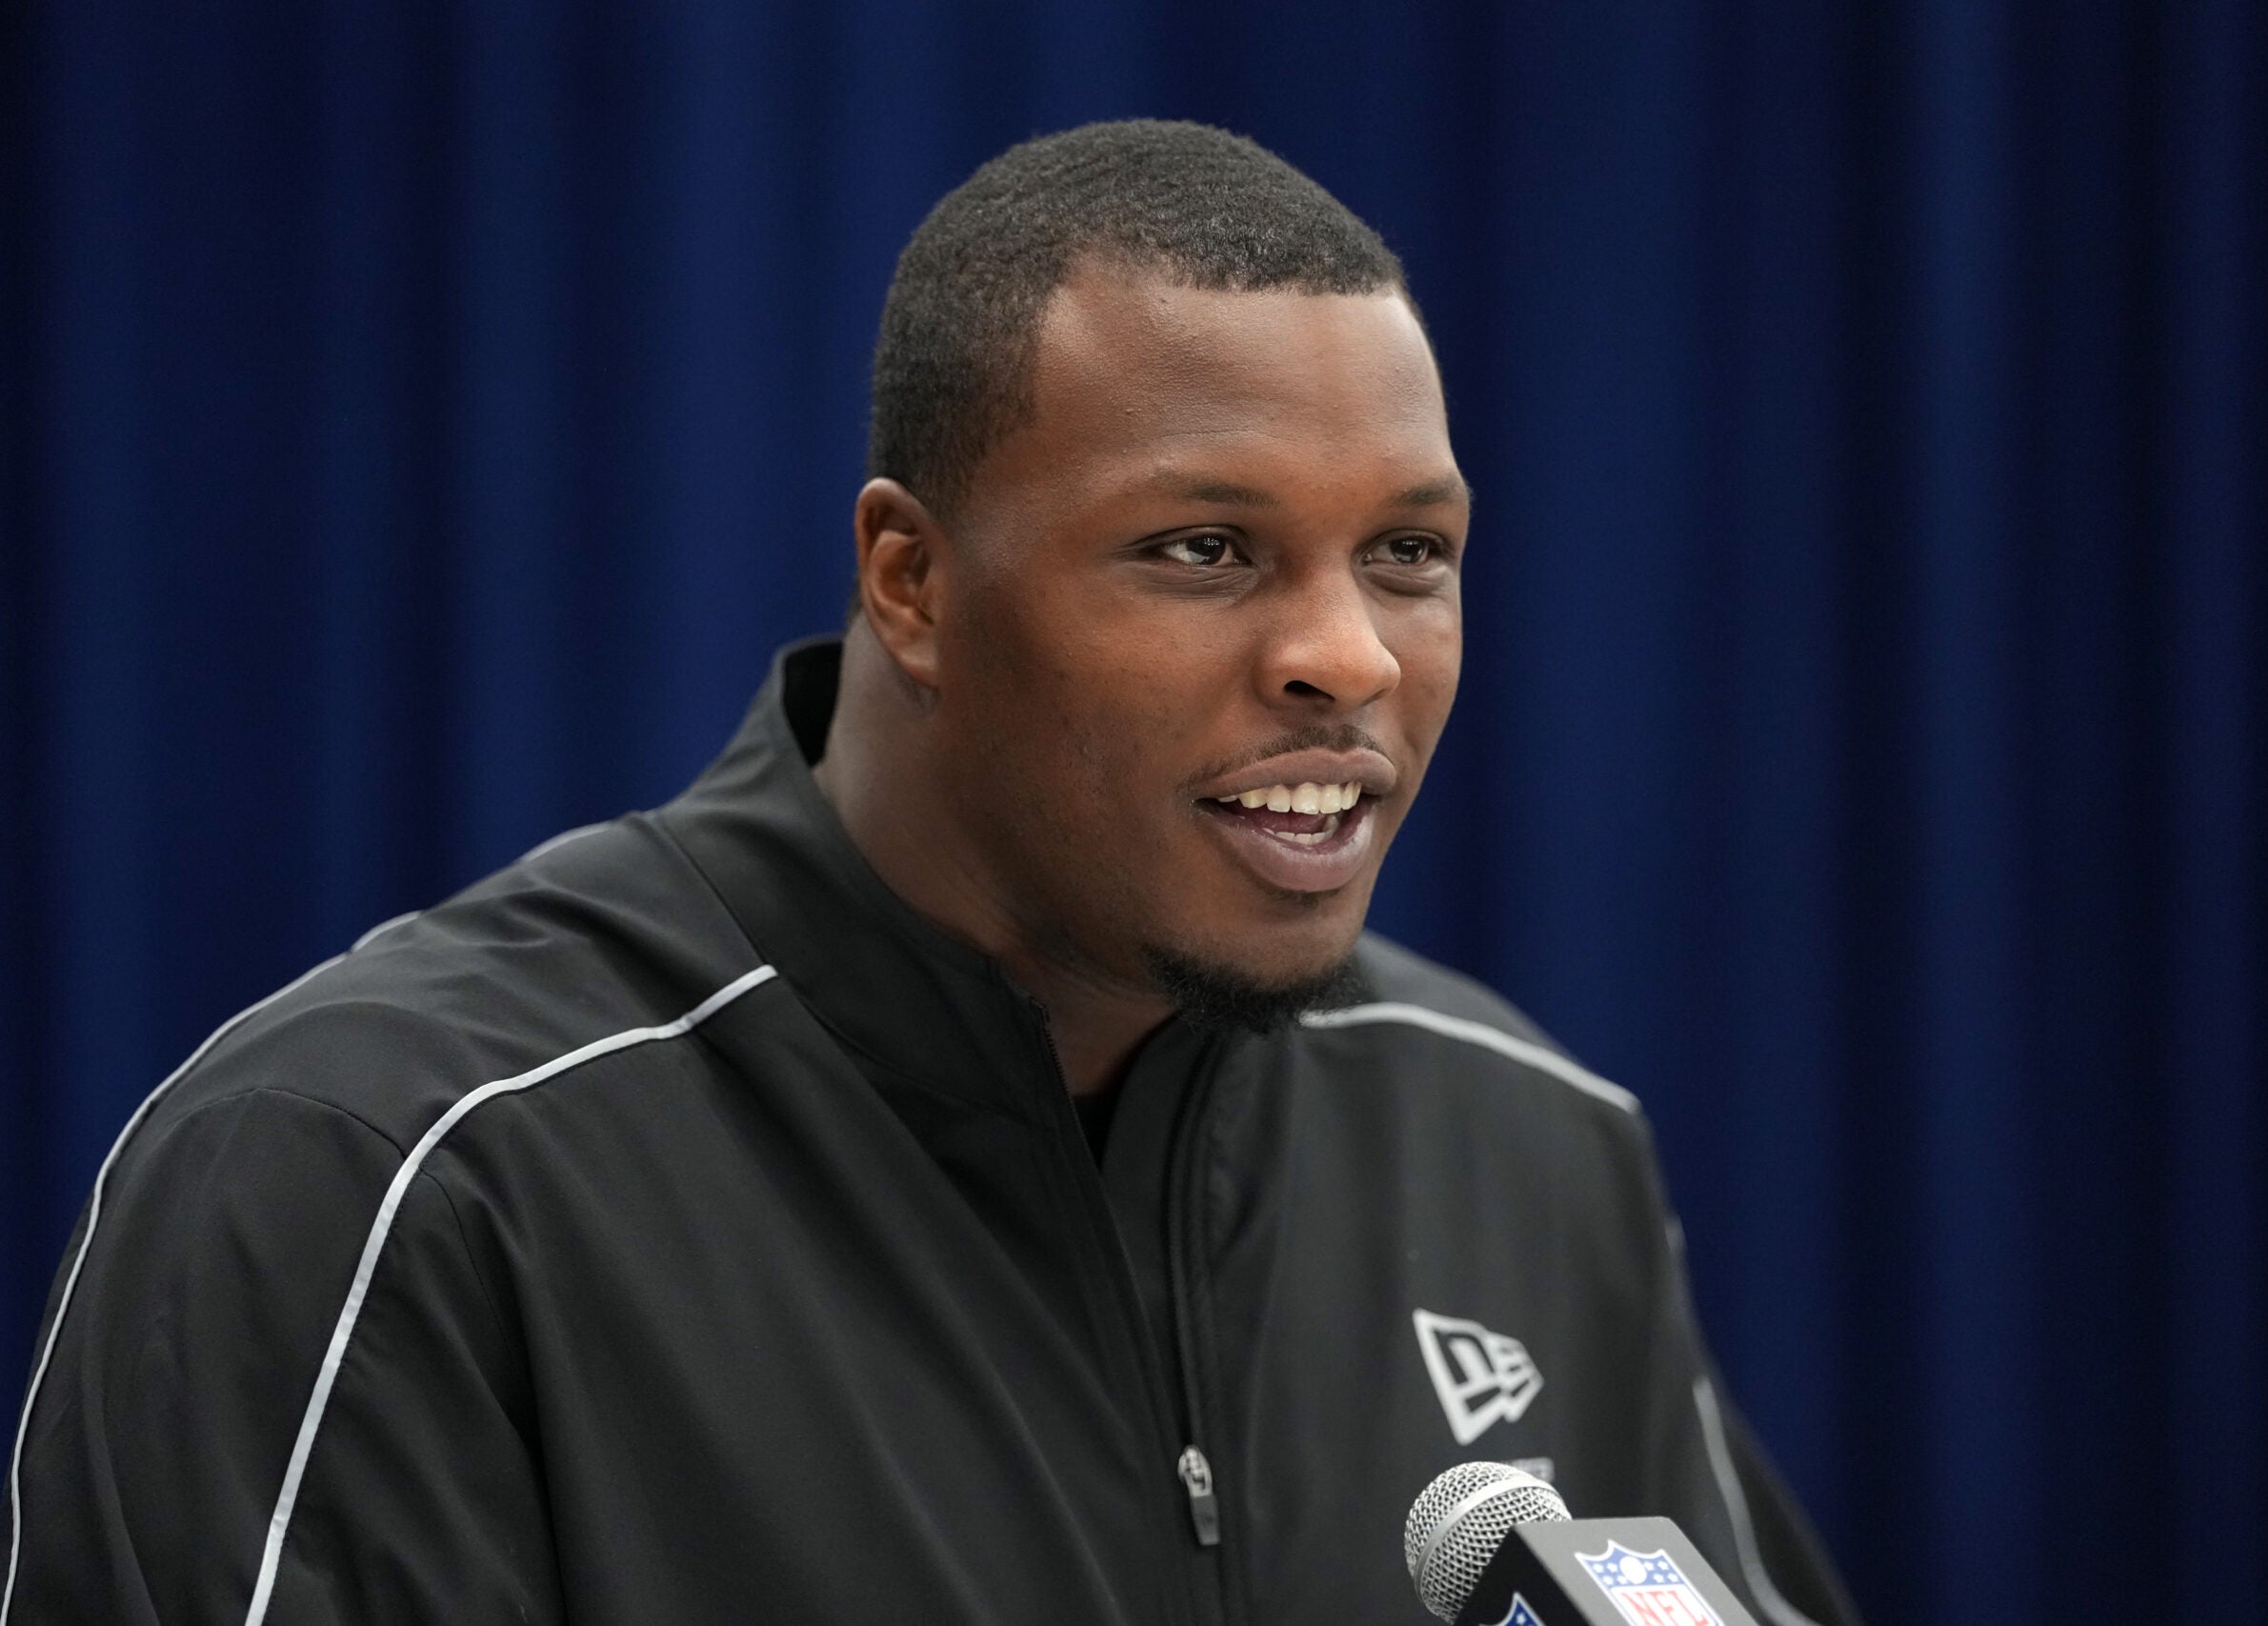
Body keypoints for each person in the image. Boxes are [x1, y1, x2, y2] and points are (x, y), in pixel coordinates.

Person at [5, 121, 1857, 1626]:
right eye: (1205, 547)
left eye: (1408, 553)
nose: (1348, 656)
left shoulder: (1528, 1142)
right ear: (910, 582)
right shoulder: (380, 1173)